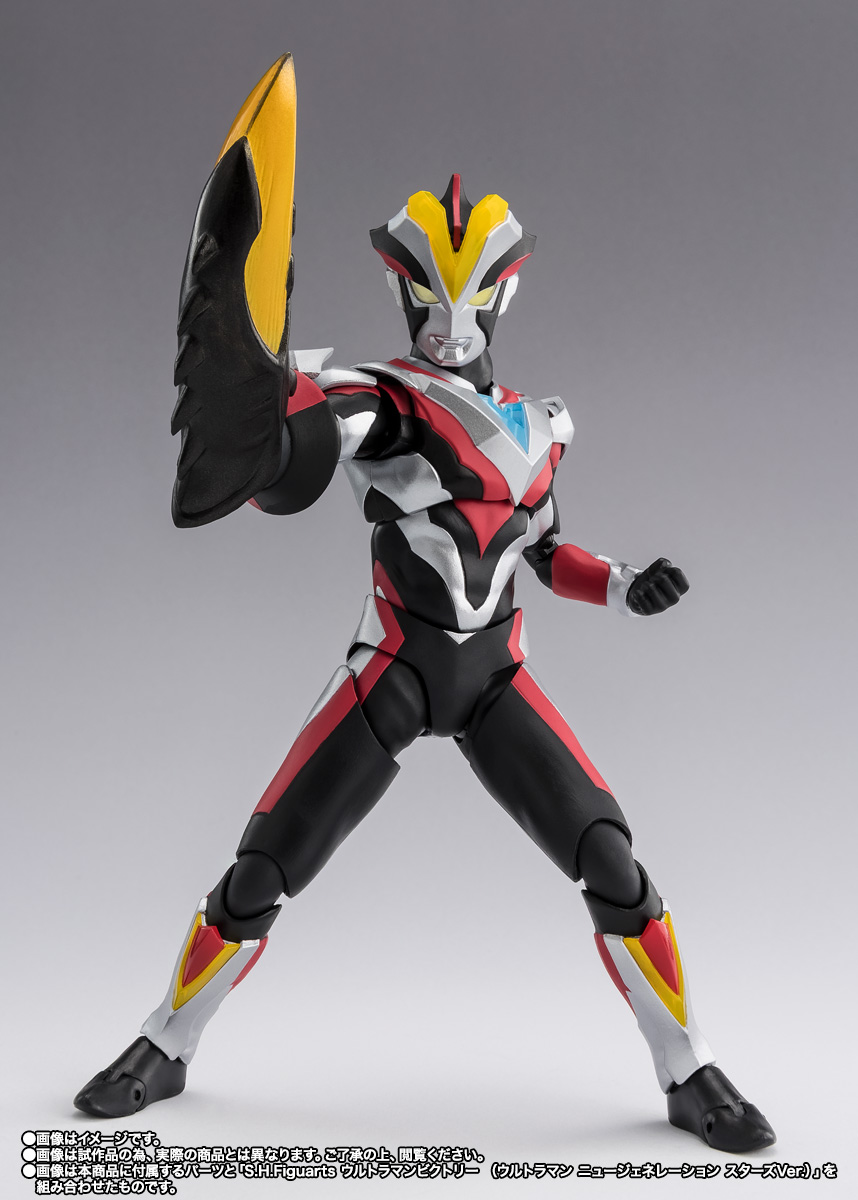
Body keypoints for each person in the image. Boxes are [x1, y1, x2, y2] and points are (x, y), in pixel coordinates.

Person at [74, 57, 775, 1153]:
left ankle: (688, 1070)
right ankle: (164, 1044)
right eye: (428, 296)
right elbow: (305, 452)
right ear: (403, 291)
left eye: (470, 297)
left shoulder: (540, 426)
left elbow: (542, 549)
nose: (449, 319)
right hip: (393, 673)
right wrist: (266, 412)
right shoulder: (383, 398)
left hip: (494, 677)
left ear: (503, 294)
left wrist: (624, 584)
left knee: (611, 859)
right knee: (265, 866)